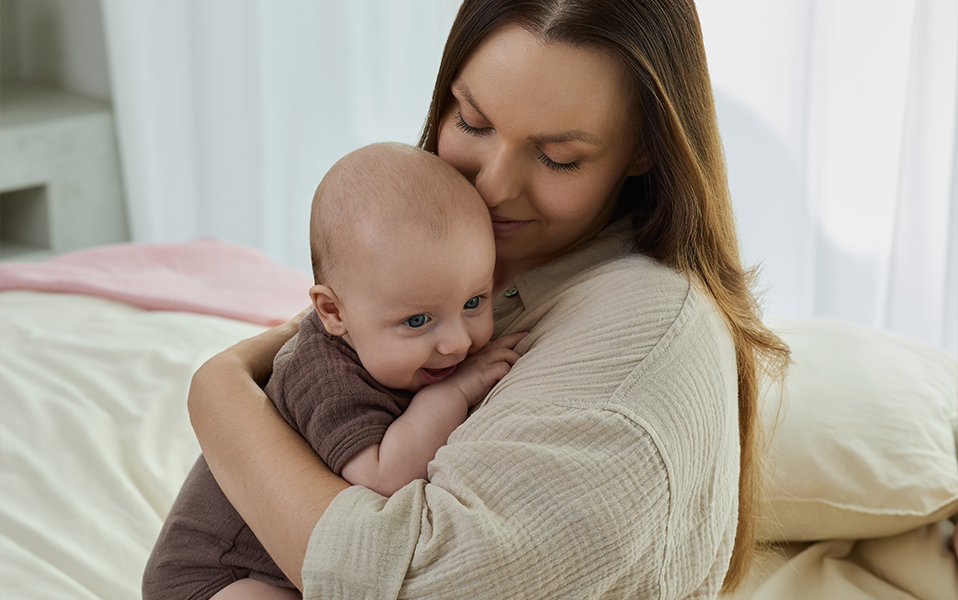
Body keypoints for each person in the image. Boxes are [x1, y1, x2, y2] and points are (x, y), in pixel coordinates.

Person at [187, 1, 791, 598]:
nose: (493, 187)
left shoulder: (636, 359)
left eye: (558, 157)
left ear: (644, 149)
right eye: (473, 122)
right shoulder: (484, 263)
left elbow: (406, 582)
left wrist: (218, 392)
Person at [143, 142, 524, 600]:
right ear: (332, 312)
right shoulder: (323, 377)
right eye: (417, 321)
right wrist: (452, 394)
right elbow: (384, 479)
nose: (458, 342)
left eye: (473, 302)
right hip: (216, 580)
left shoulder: (391, 341)